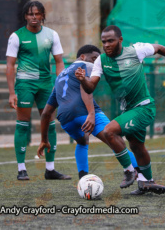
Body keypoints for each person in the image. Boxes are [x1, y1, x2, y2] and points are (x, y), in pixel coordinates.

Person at [75, 25, 165, 195]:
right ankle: (146, 183)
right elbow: (90, 87)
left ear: (120, 40)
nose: (106, 45)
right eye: (103, 42)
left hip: (144, 107)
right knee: (137, 147)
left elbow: (160, 48)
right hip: (128, 111)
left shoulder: (136, 50)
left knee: (109, 131)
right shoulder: (101, 61)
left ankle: (129, 170)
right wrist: (83, 79)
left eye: (110, 41)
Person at [37, 45, 138, 179]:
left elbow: (45, 113)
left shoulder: (60, 77)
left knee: (83, 142)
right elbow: (85, 89)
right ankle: (142, 176)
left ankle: (83, 178)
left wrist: (44, 140)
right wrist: (91, 114)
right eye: (94, 58)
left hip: (65, 117)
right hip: (84, 110)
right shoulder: (85, 65)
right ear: (83, 57)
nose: (97, 62)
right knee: (114, 139)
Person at [6, 0, 70, 181]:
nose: (34, 17)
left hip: (46, 85)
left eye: (37, 14)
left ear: (43, 15)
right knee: (23, 124)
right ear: (25, 16)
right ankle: (21, 169)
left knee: (50, 123)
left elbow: (59, 61)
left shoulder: (52, 35)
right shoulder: (16, 36)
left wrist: (60, 84)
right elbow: (10, 65)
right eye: (30, 14)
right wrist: (12, 92)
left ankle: (50, 169)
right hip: (25, 85)